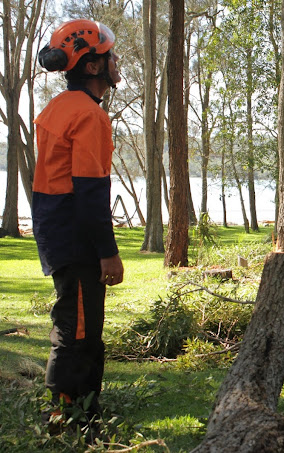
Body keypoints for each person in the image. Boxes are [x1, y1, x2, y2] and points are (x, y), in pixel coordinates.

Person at [33, 19, 124, 426]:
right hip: (76, 235)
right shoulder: (88, 116)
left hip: (57, 231)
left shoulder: (57, 108)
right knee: (80, 332)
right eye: (110, 56)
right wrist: (108, 254)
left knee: (74, 322)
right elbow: (90, 192)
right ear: (92, 67)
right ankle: (70, 419)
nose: (117, 62)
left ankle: (78, 413)